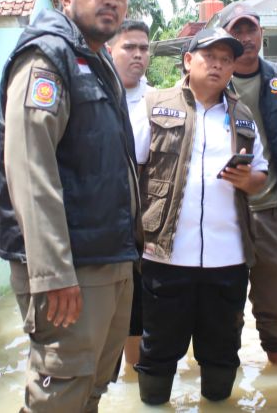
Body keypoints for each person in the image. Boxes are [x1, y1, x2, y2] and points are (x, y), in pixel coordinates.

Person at [0, 0, 142, 413]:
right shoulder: (47, 57)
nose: (111, 1)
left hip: (108, 256)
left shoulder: (97, 63)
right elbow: (29, 168)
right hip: (68, 268)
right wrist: (52, 273)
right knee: (59, 393)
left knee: (91, 387)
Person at [131, 28, 269, 405]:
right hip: (166, 256)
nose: (219, 65)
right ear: (189, 61)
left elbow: (261, 176)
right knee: (157, 356)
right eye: (211, 57)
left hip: (228, 260)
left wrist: (249, 179)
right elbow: (130, 169)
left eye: (227, 60)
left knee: (222, 358)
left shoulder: (242, 116)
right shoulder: (155, 107)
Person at [219, 2, 277, 364]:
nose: (245, 38)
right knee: (222, 309)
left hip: (272, 210)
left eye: (250, 30)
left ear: (261, 34)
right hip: (223, 214)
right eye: (236, 32)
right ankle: (224, 380)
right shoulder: (211, 82)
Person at [108, 19, 153, 367]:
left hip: (147, 222)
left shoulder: (159, 102)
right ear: (110, 49)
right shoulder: (96, 94)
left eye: (143, 48)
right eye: (129, 47)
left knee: (141, 309)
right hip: (105, 219)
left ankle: (135, 384)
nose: (137, 55)